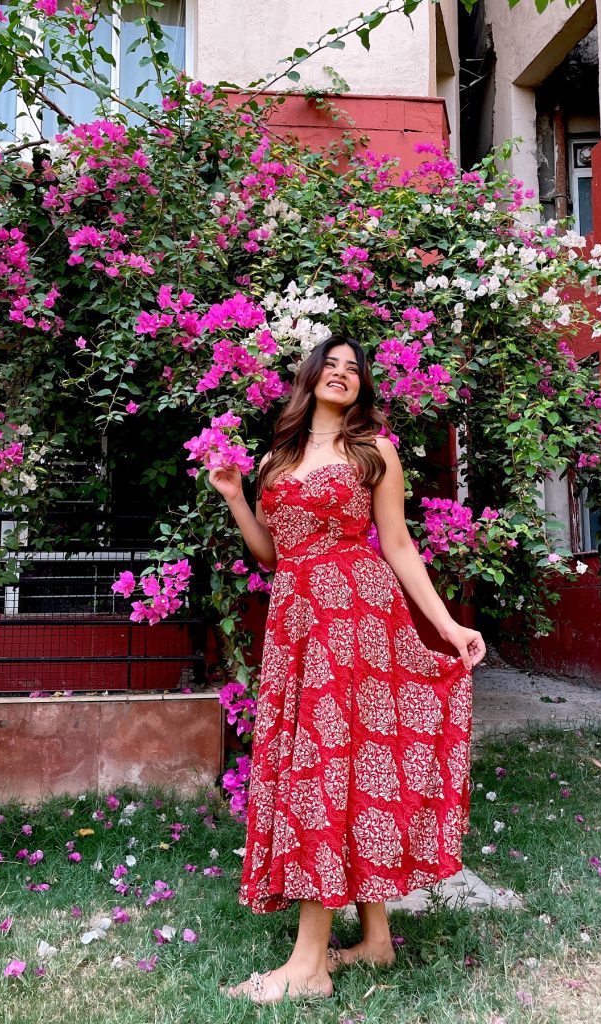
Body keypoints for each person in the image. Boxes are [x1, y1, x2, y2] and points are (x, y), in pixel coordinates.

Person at [209, 337, 486, 1005]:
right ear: (309, 377)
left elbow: (395, 543)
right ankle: (376, 939)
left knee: (329, 766)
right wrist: (235, 497)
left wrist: (445, 625)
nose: (340, 375)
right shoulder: (276, 458)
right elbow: (273, 555)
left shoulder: (373, 452)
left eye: (352, 369)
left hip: (357, 614)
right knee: (338, 761)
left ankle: (308, 966)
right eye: (329, 365)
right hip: (296, 621)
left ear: (361, 386)